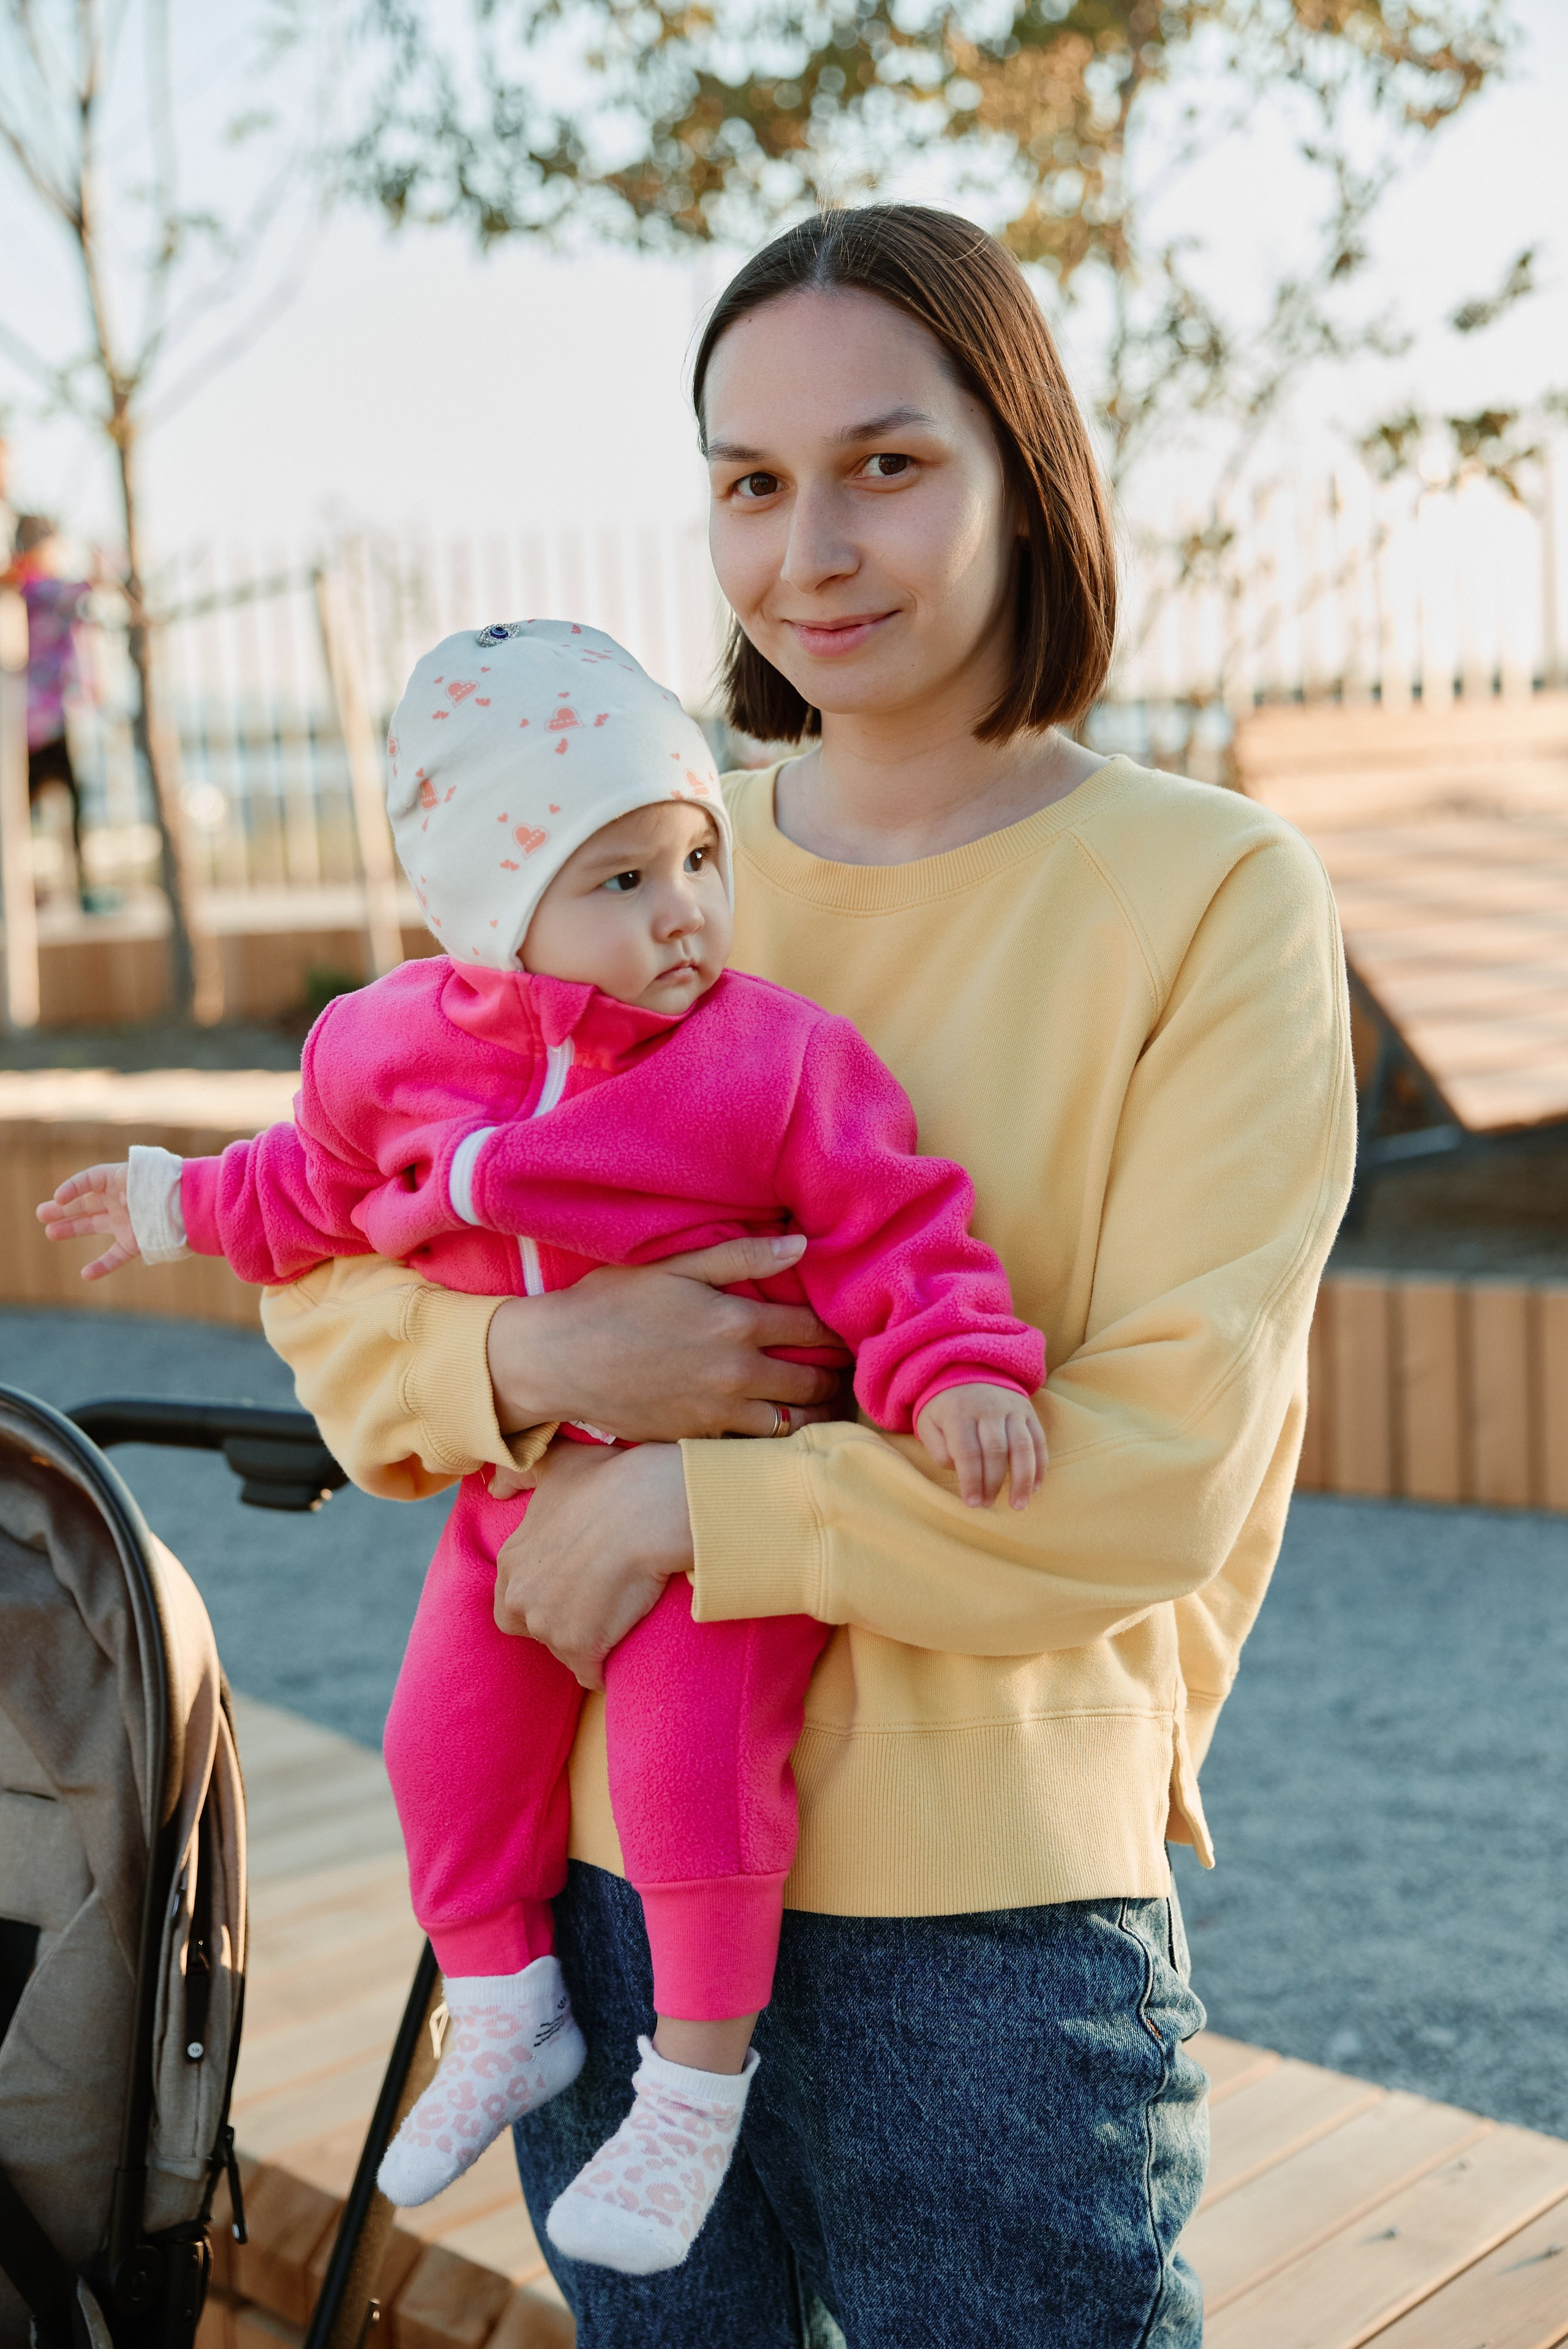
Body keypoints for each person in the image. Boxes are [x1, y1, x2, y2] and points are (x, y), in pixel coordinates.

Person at [190, 207, 1352, 2344]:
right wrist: (537, 1350)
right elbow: (343, 1259)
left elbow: (1154, 1471)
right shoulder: (621, 849)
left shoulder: (1210, 895)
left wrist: (678, 1502)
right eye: (748, 482)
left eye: (886, 465)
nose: (809, 545)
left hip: (989, 1933)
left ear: (1026, 467)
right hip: (602, 1900)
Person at [39, 618, 1048, 2274]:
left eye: (699, 858)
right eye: (625, 882)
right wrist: (170, 1202)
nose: (687, 912)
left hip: (718, 1512)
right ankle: (507, 2010)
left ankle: (697, 2088)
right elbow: (307, 1196)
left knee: (685, 1776)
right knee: (436, 1741)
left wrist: (958, 1370)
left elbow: (898, 1230)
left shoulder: (769, 1060)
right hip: (516, 1491)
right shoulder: (386, 1051)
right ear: (494, 912)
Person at [2, 515, 89, 907]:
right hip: (40, 718)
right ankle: (75, 885)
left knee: (35, 803)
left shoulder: (27, 586)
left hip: (41, 714)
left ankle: (65, 883)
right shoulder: (36, 587)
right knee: (54, 799)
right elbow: (74, 591)